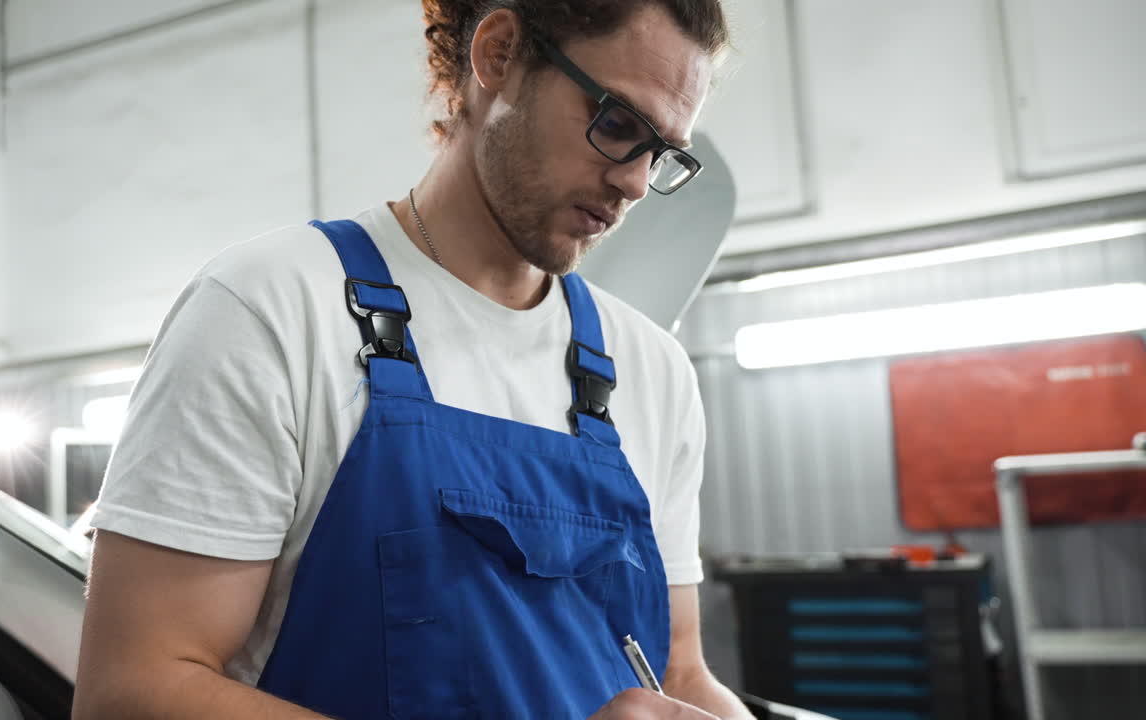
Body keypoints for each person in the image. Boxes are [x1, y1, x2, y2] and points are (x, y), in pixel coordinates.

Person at [73, 1, 754, 718]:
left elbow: (676, 674)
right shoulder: (272, 309)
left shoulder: (652, 370)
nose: (637, 183)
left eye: (664, 154)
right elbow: (134, 691)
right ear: (499, 56)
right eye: (617, 126)